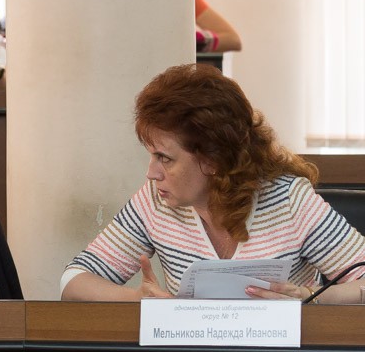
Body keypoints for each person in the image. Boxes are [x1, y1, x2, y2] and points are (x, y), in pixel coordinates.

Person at [61, 63, 365, 303]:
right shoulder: (155, 200)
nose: (151, 173)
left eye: (164, 158)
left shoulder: (288, 200)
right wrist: (136, 300)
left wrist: (312, 298)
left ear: (213, 159)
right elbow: (73, 280)